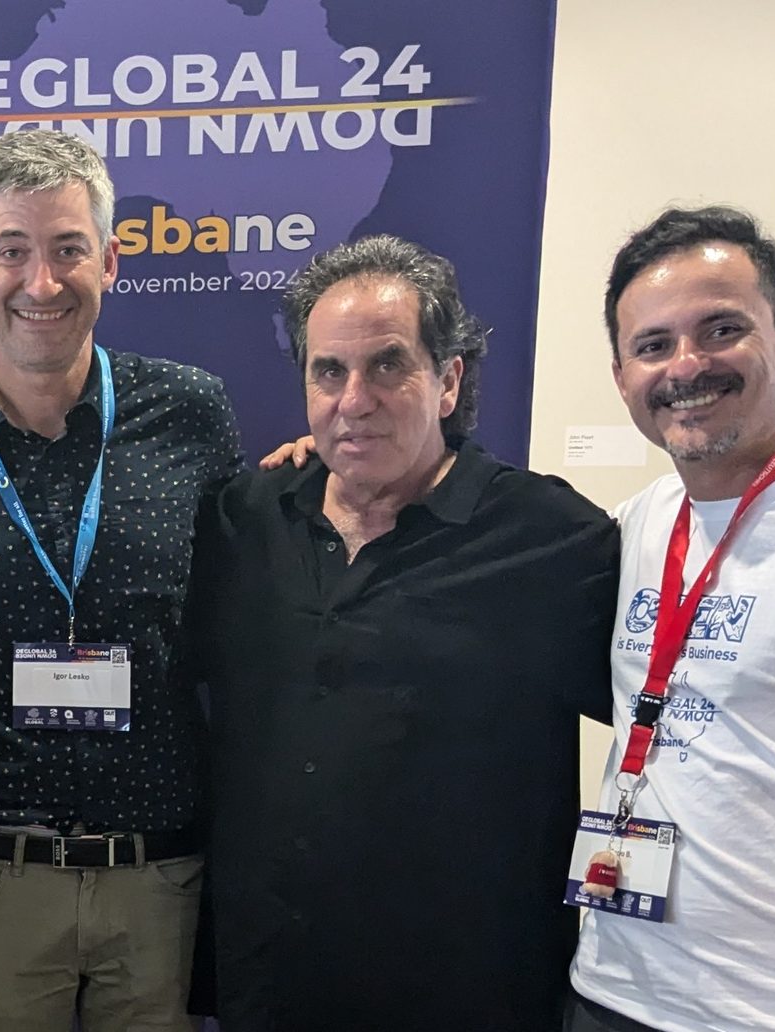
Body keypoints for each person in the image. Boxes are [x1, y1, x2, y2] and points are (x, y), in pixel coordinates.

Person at [0, 129, 239, 1031]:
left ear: (109, 257)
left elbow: (257, 590)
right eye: (13, 251)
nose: (43, 284)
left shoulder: (191, 413)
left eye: (68, 251)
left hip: (160, 877)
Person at [189, 235, 617, 1030]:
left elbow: (677, 726)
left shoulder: (553, 540)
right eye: (329, 371)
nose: (355, 399)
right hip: (275, 984)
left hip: (467, 991)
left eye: (388, 365)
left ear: (448, 379)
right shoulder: (246, 520)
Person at [565, 206, 775, 1032]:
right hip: (613, 992)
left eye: (722, 329)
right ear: (622, 373)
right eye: (654, 345)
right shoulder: (637, 523)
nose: (686, 366)